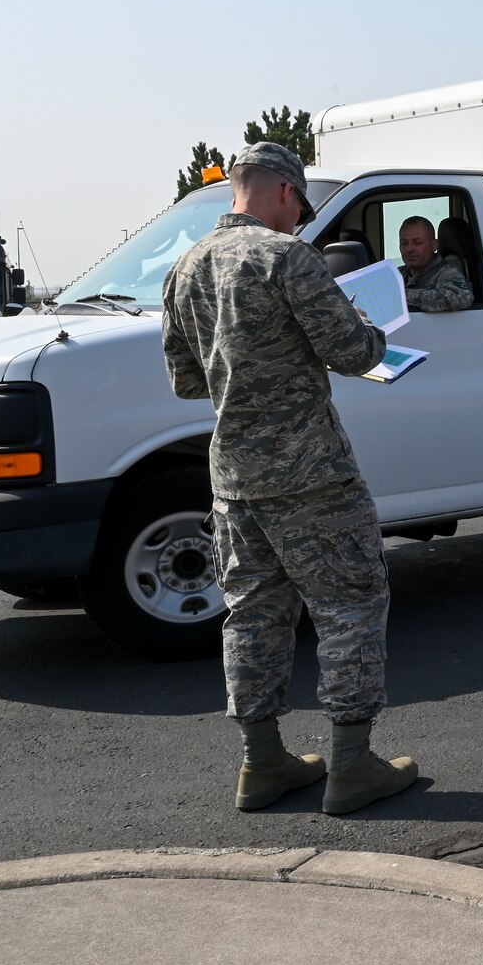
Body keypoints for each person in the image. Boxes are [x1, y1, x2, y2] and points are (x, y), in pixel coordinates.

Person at [161, 142, 420, 815]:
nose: (298, 218)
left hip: (233, 477)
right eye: (299, 205)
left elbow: (188, 380)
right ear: (282, 191)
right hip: (310, 472)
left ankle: (262, 761)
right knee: (351, 602)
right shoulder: (287, 259)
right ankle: (351, 764)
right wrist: (360, 321)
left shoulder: (185, 267)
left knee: (252, 615)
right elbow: (357, 349)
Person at [397, 216, 473, 313]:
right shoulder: (397, 274)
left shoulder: (448, 271)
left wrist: (401, 295)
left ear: (434, 245)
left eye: (417, 243)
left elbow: (460, 297)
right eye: (404, 243)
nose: (409, 249)